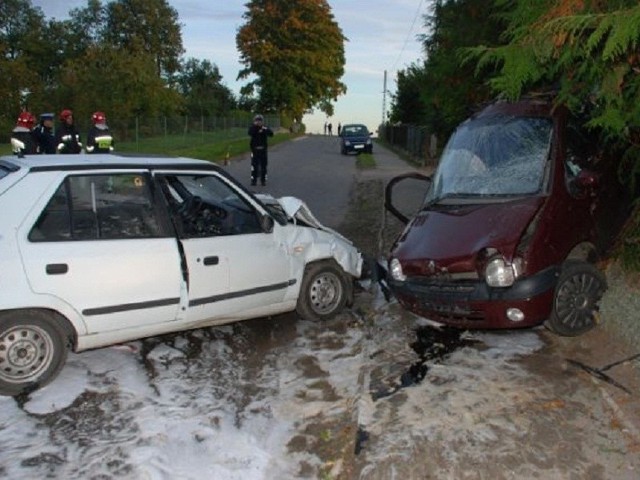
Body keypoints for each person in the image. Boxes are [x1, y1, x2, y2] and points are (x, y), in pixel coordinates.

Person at [247, 114, 274, 186]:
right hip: (254, 150)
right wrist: (256, 127)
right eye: (257, 120)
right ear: (254, 121)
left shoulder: (265, 128)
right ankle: (253, 180)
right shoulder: (252, 128)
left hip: (263, 150)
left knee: (264, 166)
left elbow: (271, 134)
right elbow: (250, 133)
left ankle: (263, 180)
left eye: (260, 120)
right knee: (254, 166)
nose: (258, 122)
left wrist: (264, 130)